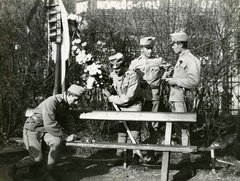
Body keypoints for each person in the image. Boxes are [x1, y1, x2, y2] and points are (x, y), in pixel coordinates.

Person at [6, 84, 86, 181]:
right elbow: (50, 124)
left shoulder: (65, 104)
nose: (76, 103)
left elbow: (68, 120)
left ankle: (47, 173)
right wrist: (65, 136)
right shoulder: (52, 101)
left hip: (45, 130)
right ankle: (12, 168)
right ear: (69, 95)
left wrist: (73, 133)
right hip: (32, 129)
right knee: (36, 158)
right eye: (76, 99)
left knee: (57, 141)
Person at [163, 32, 201, 180]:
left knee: (183, 131)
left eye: (174, 44)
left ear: (180, 44)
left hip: (183, 100)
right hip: (177, 99)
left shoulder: (191, 60)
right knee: (180, 131)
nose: (172, 46)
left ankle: (187, 167)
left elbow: (194, 81)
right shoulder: (181, 59)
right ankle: (185, 163)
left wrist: (175, 81)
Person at [129, 37, 165, 164]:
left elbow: (170, 71)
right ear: (141, 49)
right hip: (138, 96)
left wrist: (162, 78)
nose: (150, 51)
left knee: (153, 126)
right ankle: (136, 153)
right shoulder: (134, 63)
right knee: (136, 124)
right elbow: (129, 77)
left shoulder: (159, 60)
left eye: (151, 48)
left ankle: (151, 154)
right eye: (147, 48)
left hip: (154, 95)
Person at [102, 52, 142, 165]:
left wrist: (111, 98)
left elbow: (128, 98)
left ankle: (136, 157)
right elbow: (111, 89)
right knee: (121, 133)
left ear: (124, 66)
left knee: (134, 133)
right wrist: (107, 91)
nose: (116, 70)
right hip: (120, 107)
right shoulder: (113, 75)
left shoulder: (132, 76)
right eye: (113, 68)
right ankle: (119, 156)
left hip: (133, 106)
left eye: (118, 68)